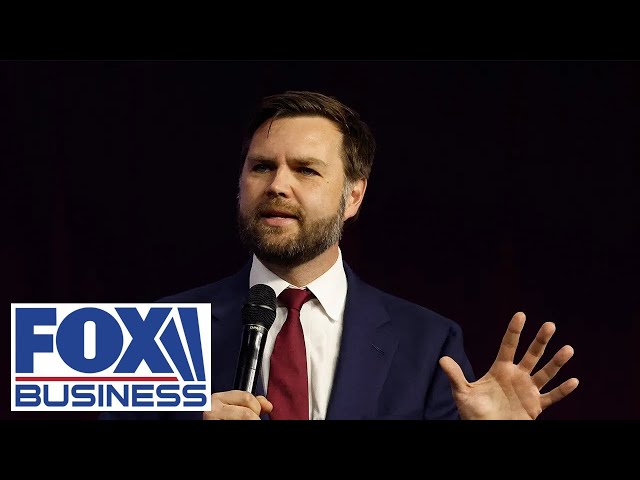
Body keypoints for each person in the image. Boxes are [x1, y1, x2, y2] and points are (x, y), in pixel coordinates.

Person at [100, 90, 578, 420]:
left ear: (353, 196)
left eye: (306, 170)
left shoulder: (427, 343)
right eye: (262, 166)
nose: (277, 185)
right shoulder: (154, 331)